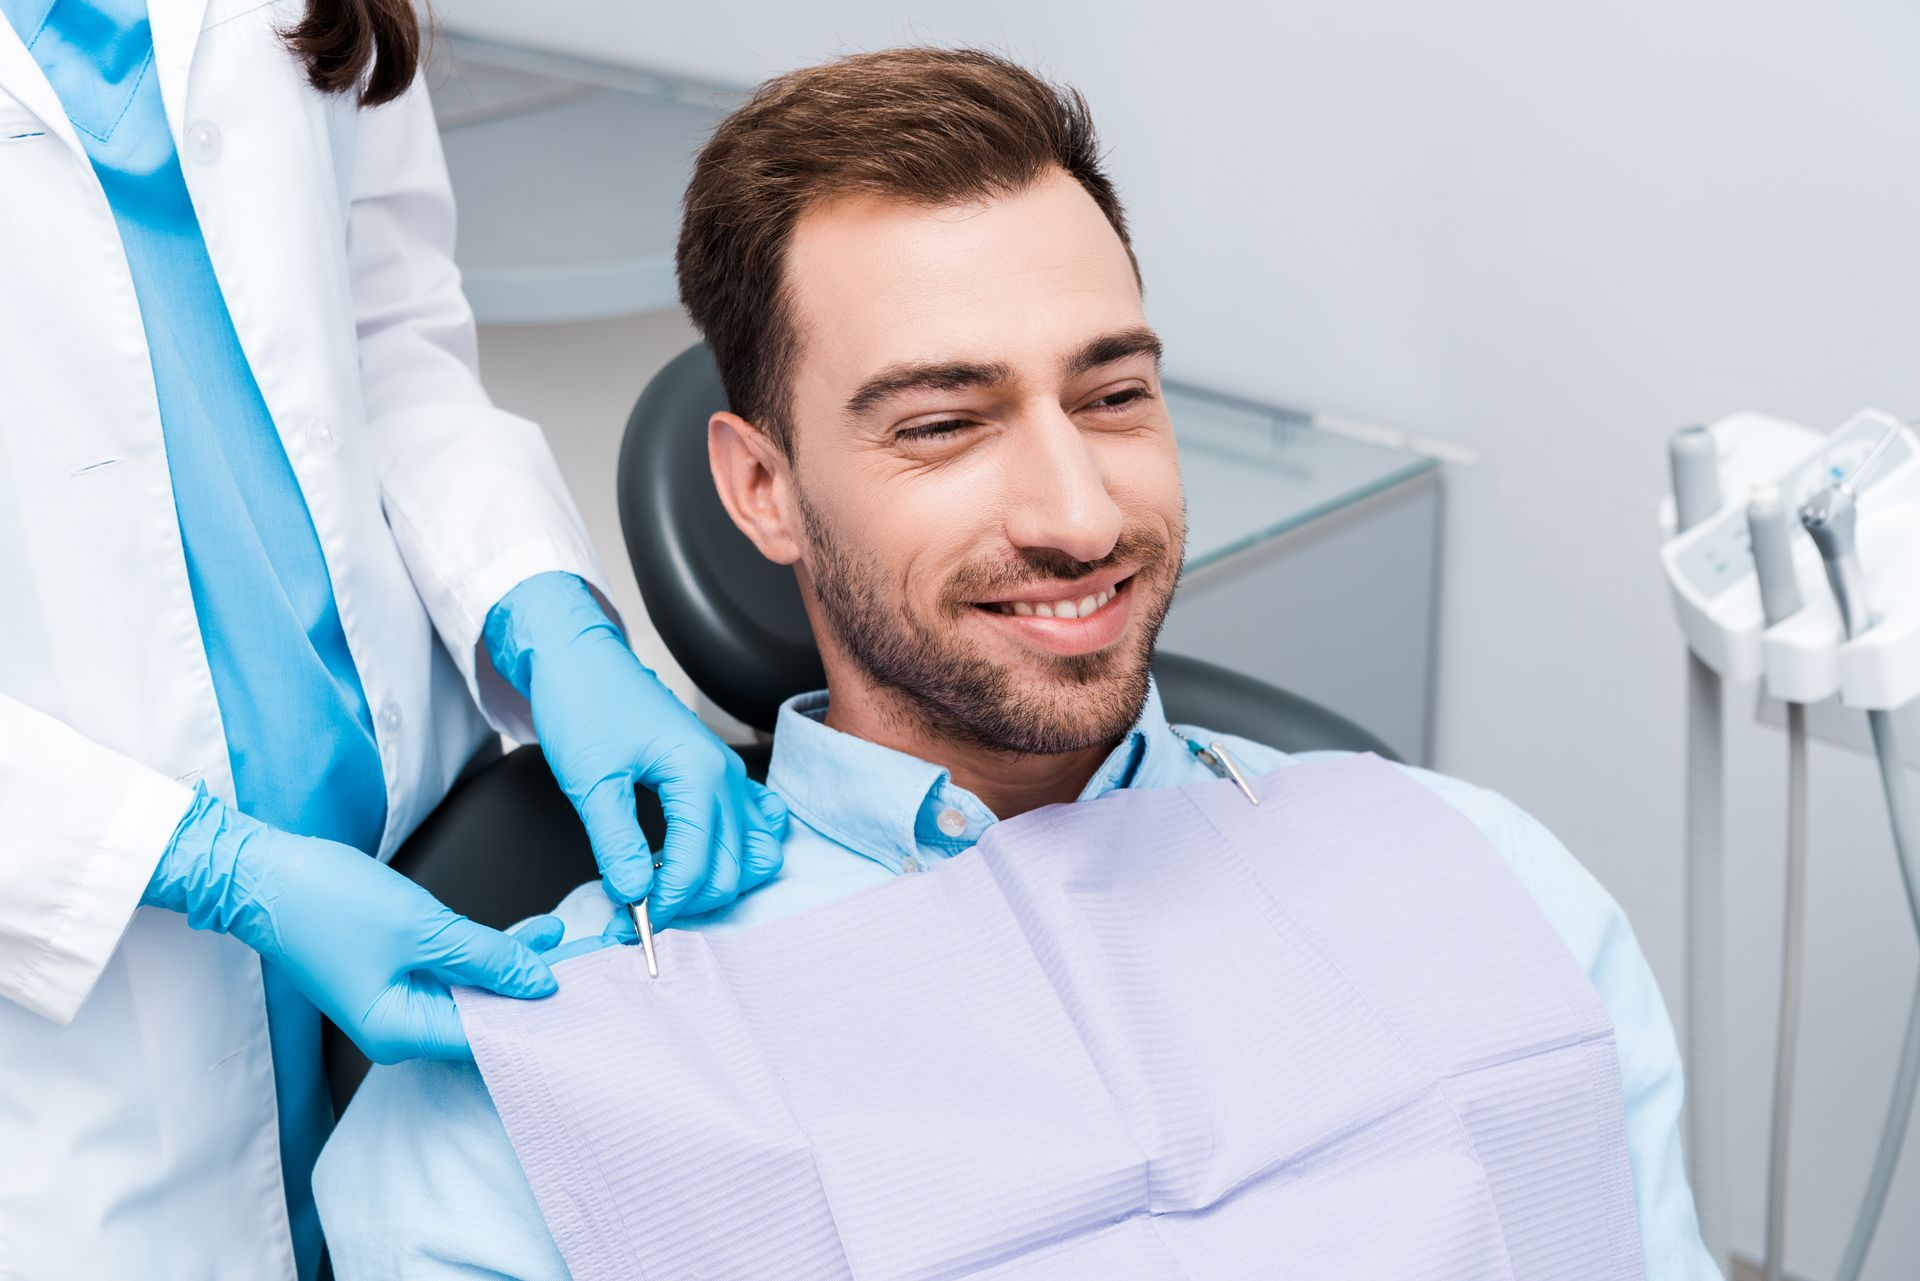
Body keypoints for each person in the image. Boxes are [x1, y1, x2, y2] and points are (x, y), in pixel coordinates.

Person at [315, 47, 1718, 1280]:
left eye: (1114, 397)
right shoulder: (532, 1095)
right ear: (762, 490)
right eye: (942, 424)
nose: (1080, 516)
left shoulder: (1492, 885)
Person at [0, 3, 783, 1278]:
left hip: (413, 847)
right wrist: (209, 865)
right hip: (86, 997)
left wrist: (550, 619)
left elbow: (391, 336)